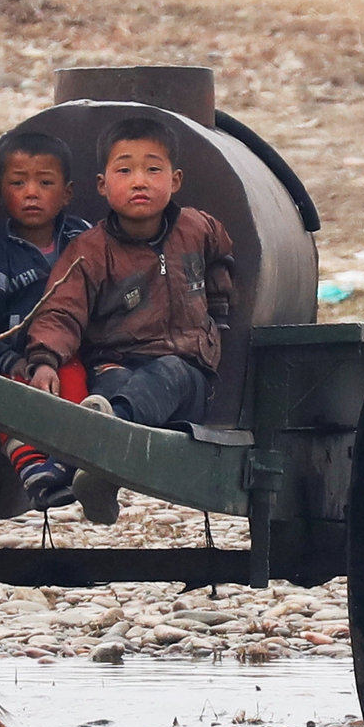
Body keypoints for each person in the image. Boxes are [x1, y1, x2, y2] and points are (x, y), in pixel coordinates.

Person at [23, 116, 235, 525]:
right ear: (102, 185)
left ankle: (90, 443)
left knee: (167, 374)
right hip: (115, 366)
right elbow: (61, 310)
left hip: (186, 373)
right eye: (125, 171)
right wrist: (44, 359)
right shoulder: (90, 250)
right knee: (113, 387)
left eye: (153, 169)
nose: (140, 181)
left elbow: (221, 257)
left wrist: (219, 310)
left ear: (175, 180)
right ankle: (101, 474)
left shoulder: (198, 228)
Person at [0, 131, 91, 509]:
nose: (32, 193)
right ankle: (32, 469)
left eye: (45, 183)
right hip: (13, 358)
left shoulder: (83, 240)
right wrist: (12, 361)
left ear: (67, 193)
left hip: (70, 353)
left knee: (75, 384)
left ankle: (70, 461)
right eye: (18, 183)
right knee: (6, 398)